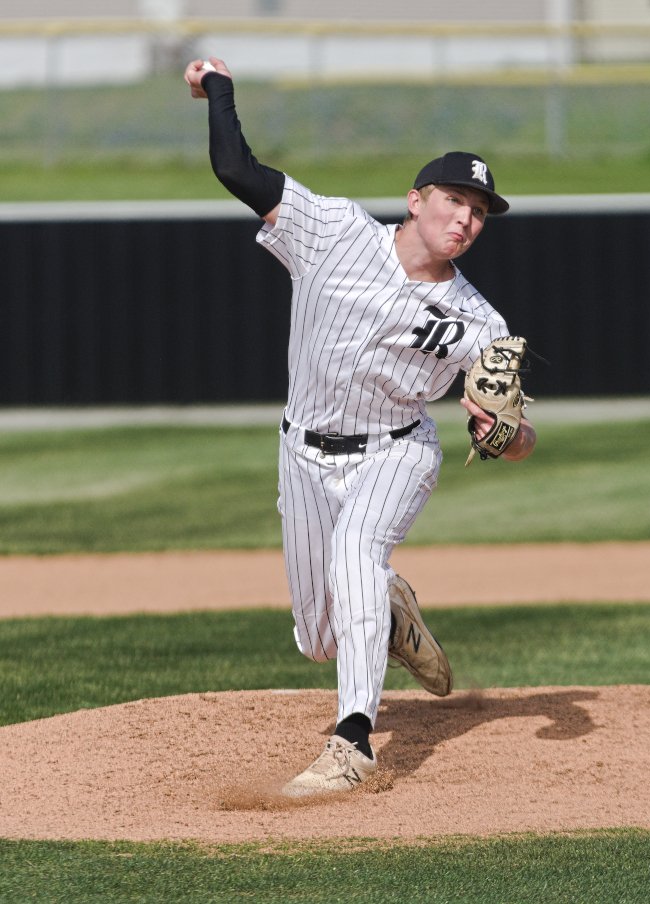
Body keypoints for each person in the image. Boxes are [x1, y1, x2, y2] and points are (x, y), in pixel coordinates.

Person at [184, 57, 536, 797]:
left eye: (479, 211)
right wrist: (219, 88)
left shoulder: (479, 322)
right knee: (318, 636)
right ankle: (393, 609)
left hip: (396, 452)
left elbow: (515, 431)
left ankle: (353, 742)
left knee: (356, 551)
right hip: (302, 453)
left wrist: (498, 434)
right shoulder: (336, 231)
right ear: (415, 200)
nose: (466, 220)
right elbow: (237, 170)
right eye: (453, 201)